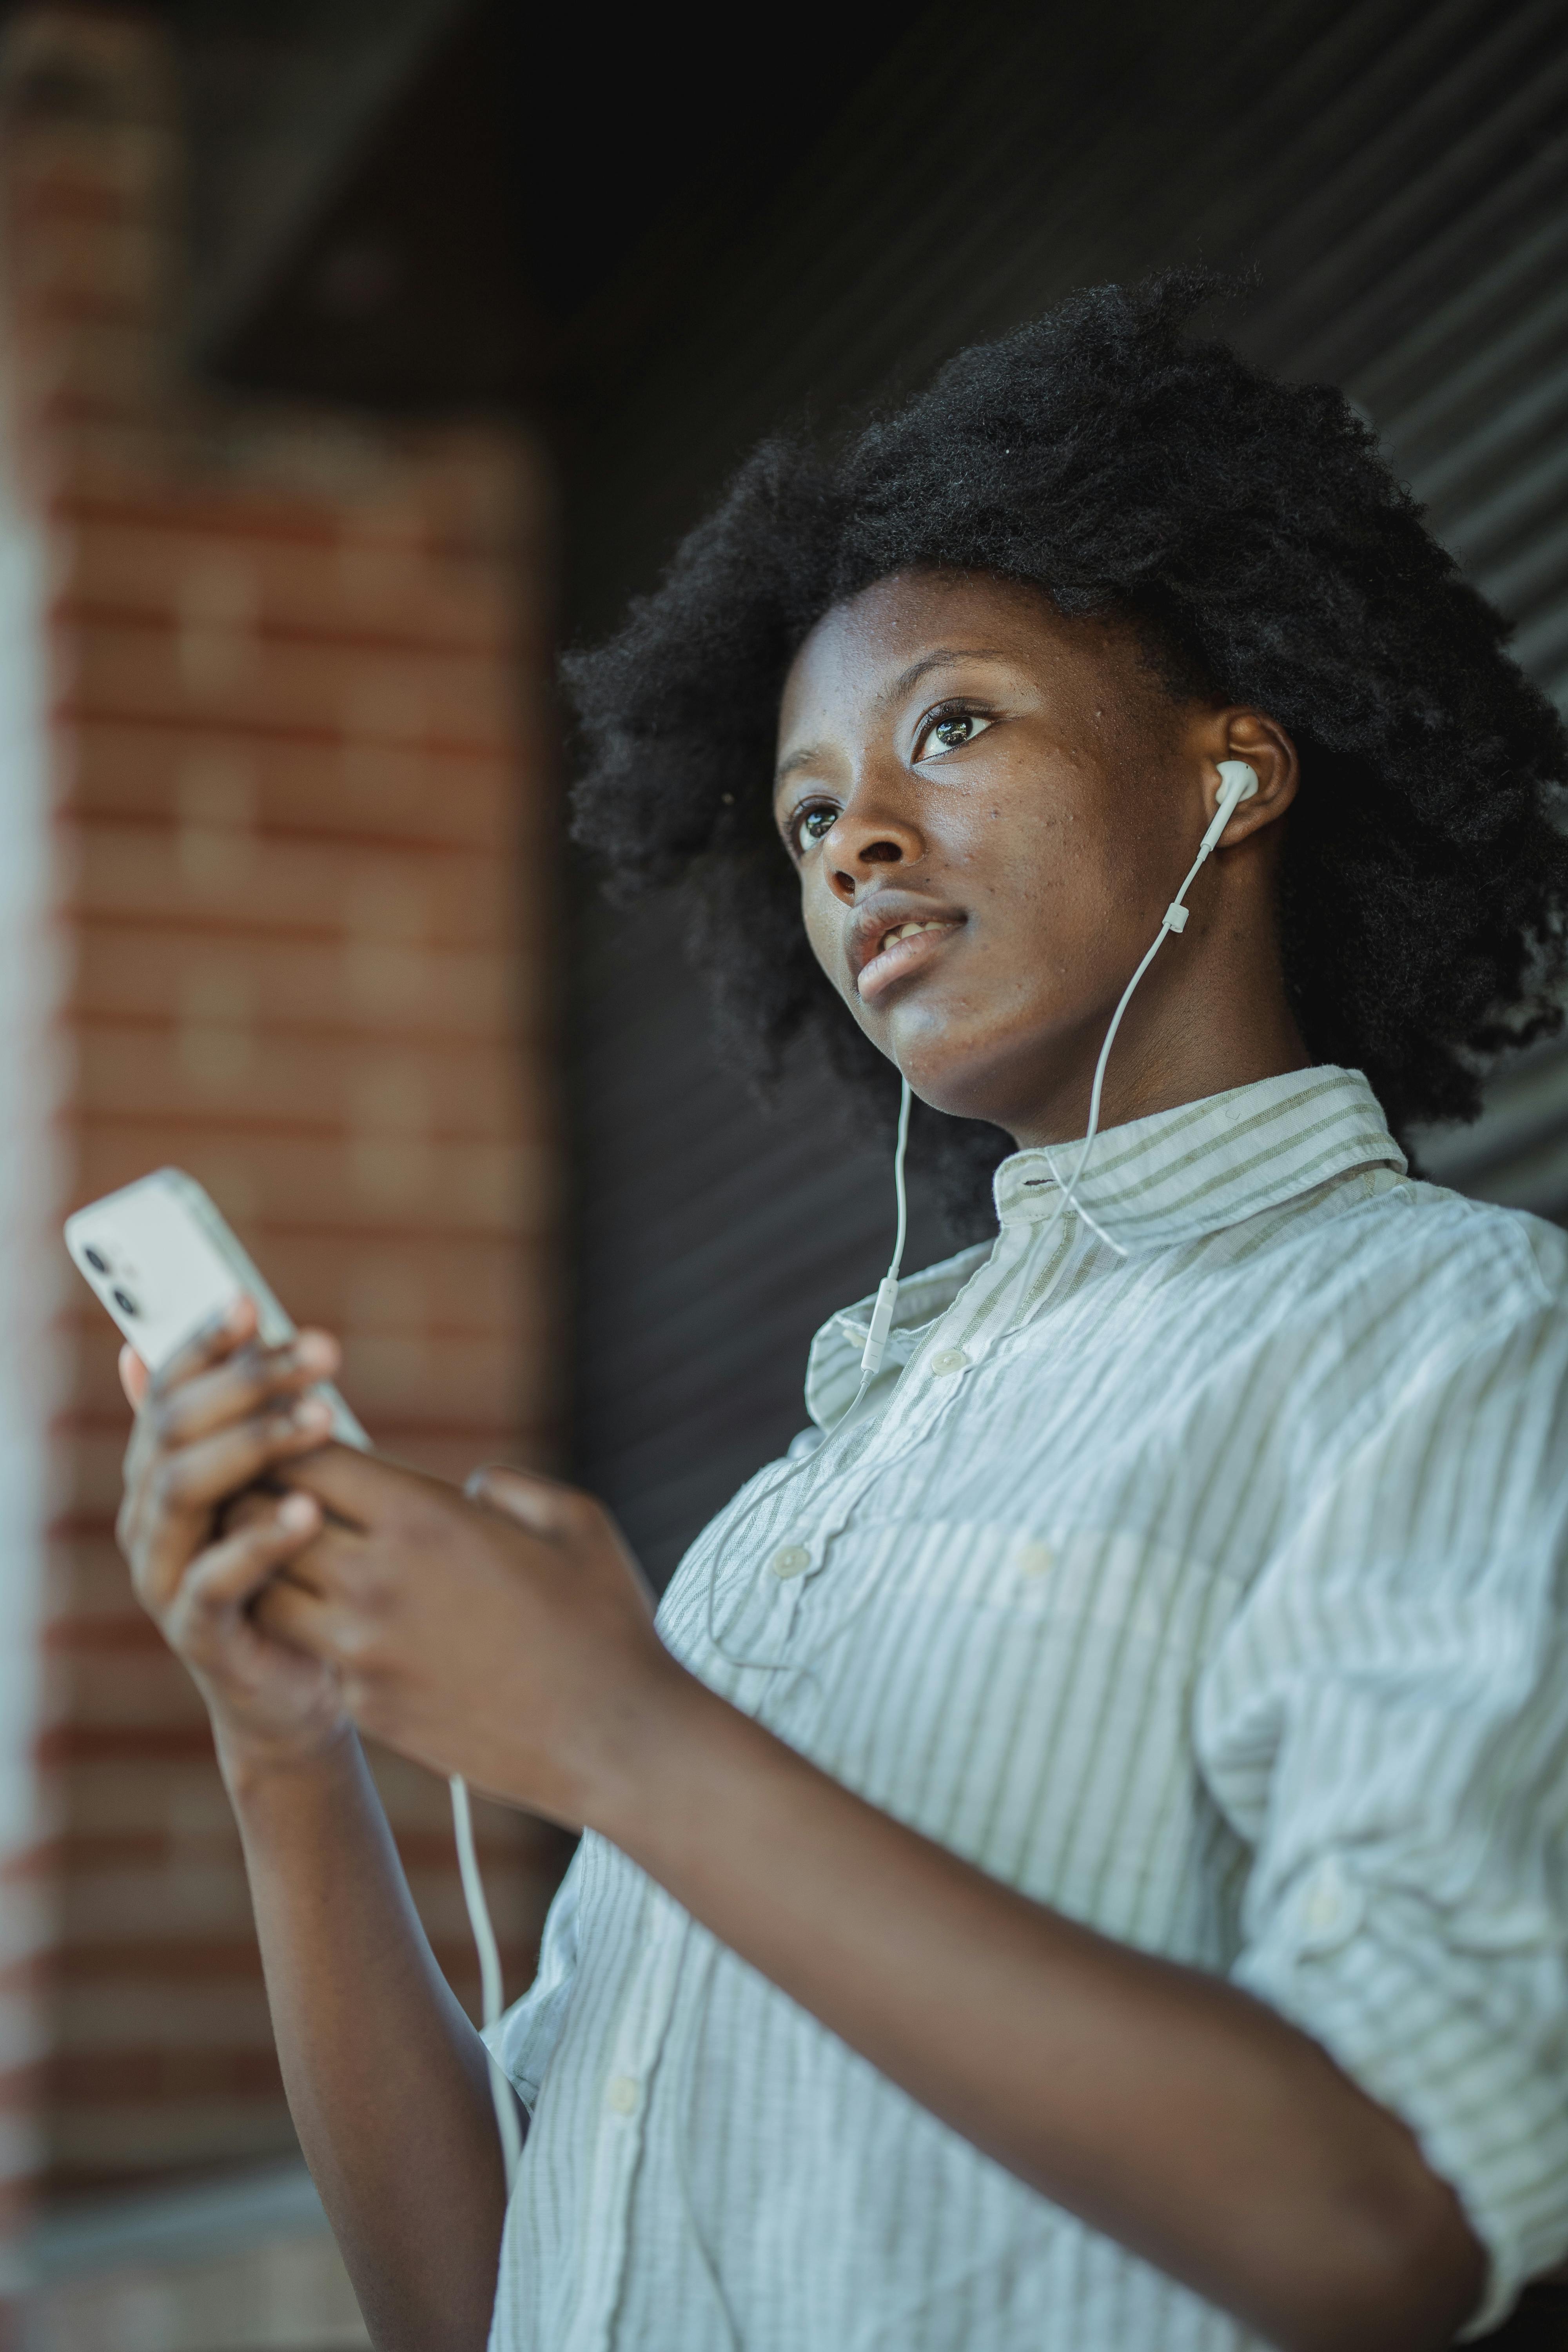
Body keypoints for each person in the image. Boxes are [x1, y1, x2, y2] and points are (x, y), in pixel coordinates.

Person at [115, 277, 1568, 2352]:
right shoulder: (804, 1506)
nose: (859, 840)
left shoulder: (1461, 1350)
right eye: (806, 813)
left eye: (952, 725)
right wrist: (289, 1755)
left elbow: (1386, 2224)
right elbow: (483, 2306)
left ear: (1237, 776)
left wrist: (619, 1733)